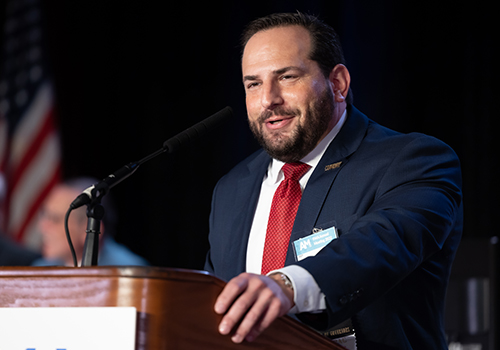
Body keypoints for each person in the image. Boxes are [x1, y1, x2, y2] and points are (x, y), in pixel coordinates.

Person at [204, 12, 463, 350]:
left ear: (337, 83)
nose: (268, 99)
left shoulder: (414, 160)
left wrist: (287, 286)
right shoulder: (231, 188)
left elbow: (384, 241)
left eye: (287, 76)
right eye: (253, 84)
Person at [33, 177, 149, 267]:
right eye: (44, 215)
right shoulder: (41, 269)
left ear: (88, 228)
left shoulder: (129, 274)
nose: (42, 227)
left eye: (55, 219)